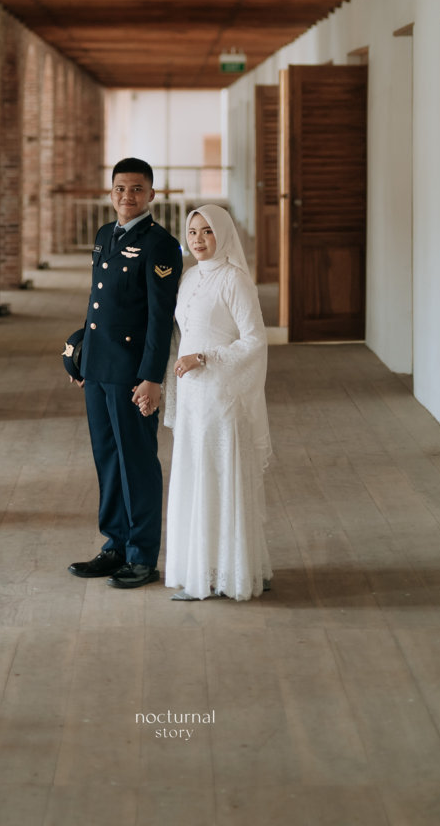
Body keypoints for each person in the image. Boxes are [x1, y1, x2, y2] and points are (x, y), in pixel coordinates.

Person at [67, 157, 182, 589]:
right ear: (110, 192)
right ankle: (115, 545)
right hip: (100, 368)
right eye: (120, 188)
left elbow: (160, 318)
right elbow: (98, 303)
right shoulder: (104, 235)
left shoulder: (161, 244)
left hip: (132, 374)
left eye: (136, 189)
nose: (127, 196)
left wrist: (152, 377)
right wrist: (83, 355)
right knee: (108, 459)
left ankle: (141, 556)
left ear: (152, 194)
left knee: (136, 462)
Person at [160, 204, 272, 602]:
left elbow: (255, 339)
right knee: (196, 474)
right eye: (192, 232)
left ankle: (226, 572)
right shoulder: (189, 277)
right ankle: (206, 566)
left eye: (207, 231)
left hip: (221, 394)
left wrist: (205, 358)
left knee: (218, 476)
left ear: (222, 234)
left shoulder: (235, 280)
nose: (198, 239)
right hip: (192, 394)